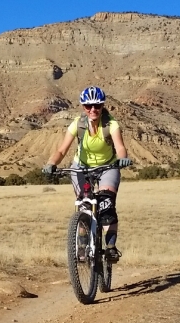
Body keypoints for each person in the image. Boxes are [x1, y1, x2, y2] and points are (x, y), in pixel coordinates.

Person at [42, 86, 132, 261]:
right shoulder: (78, 124)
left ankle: (111, 247)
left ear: (102, 106)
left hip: (107, 167)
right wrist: (51, 163)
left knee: (106, 206)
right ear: (83, 107)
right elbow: (61, 150)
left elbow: (120, 147)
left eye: (97, 106)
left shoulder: (111, 124)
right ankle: (82, 246)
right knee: (84, 205)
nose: (93, 110)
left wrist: (123, 158)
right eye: (88, 106)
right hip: (81, 167)